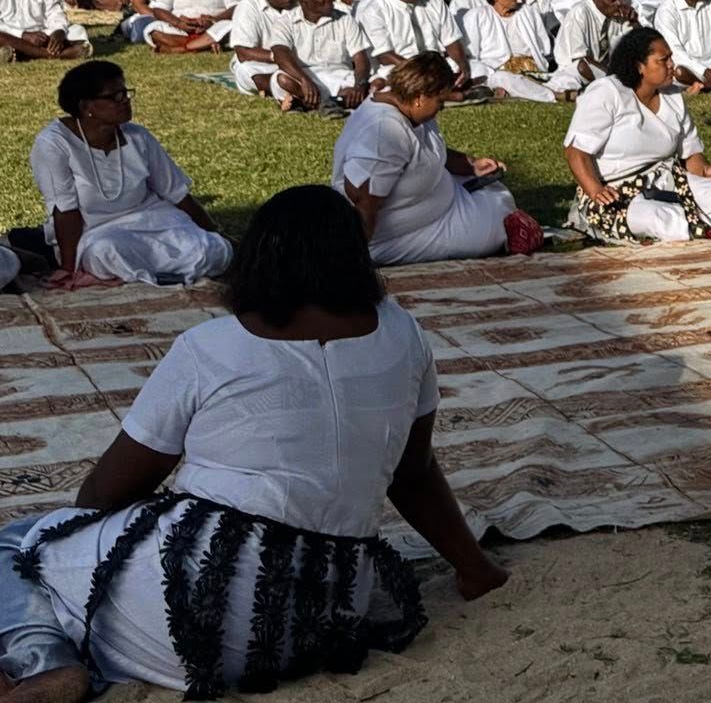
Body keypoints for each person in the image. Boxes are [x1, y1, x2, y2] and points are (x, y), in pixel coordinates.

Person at [0, 184, 507, 698]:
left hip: (193, 615)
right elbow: (413, 473)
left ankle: (45, 664)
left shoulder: (209, 347)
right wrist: (474, 568)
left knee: (18, 543)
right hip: (328, 614)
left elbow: (103, 495)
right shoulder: (406, 335)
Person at [28, 60, 232, 285]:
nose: (124, 101)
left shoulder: (138, 137)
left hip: (156, 222)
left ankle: (156, 277)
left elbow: (176, 193)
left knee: (214, 250)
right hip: (98, 234)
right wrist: (68, 268)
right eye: (114, 96)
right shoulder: (53, 143)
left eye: (125, 93)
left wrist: (214, 232)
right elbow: (65, 209)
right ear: (87, 107)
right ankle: (169, 275)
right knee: (105, 254)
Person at [563, 27, 711, 243]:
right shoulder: (606, 92)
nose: (672, 65)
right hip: (615, 189)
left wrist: (708, 170)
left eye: (671, 58)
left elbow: (691, 154)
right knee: (657, 217)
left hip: (665, 181)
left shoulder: (672, 96)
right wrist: (595, 190)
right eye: (663, 60)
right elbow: (576, 151)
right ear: (639, 66)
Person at [333, 54, 536, 263]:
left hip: (436, 202)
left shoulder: (409, 108)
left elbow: (426, 148)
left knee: (497, 193)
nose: (440, 108)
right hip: (395, 236)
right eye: (439, 101)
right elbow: (362, 200)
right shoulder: (382, 132)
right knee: (495, 224)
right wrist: (355, 261)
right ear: (420, 97)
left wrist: (471, 164)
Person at [456, 0, 559, 103]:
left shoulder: (528, 12)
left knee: (570, 71)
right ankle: (554, 95)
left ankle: (515, 90)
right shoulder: (476, 16)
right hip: (496, 73)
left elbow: (544, 49)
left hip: (533, 72)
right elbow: (469, 55)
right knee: (498, 77)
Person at [545, 0, 636, 94]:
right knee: (583, 66)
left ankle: (615, 84)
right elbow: (581, 61)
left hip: (605, 72)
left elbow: (635, 45)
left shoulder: (618, 14)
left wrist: (634, 21)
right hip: (575, 73)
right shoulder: (580, 13)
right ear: (598, 2)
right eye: (614, 0)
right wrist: (614, 77)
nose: (619, 3)